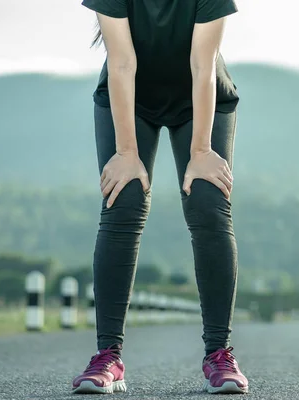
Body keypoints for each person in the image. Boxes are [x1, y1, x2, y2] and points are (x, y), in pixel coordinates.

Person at [72, 0, 248, 395]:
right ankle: (108, 357)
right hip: (129, 98)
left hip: (200, 98)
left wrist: (201, 152)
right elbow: (121, 64)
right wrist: (126, 153)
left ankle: (219, 355)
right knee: (123, 200)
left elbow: (203, 66)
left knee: (208, 204)